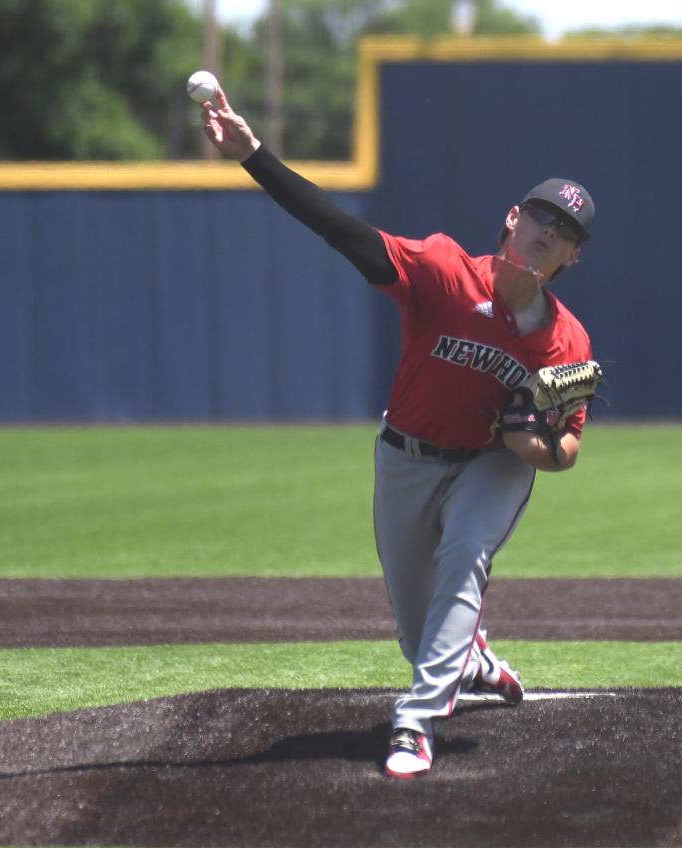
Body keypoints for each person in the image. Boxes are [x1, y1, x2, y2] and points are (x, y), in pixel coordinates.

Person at [201, 85, 597, 779]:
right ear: (511, 219)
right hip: (406, 457)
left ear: (571, 258)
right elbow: (338, 229)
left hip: (492, 463)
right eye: (539, 217)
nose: (547, 233)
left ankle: (414, 725)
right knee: (421, 636)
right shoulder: (442, 272)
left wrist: (533, 448)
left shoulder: (568, 344)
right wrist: (253, 156)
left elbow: (565, 447)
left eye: (563, 233)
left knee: (467, 552)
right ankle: (468, 659)